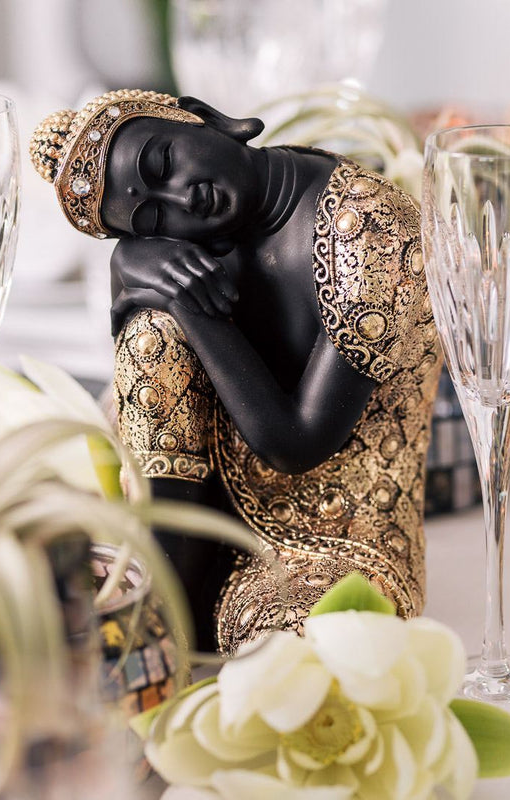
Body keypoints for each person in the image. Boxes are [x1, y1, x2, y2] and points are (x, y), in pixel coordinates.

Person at [30, 89, 441, 652]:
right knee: (153, 334)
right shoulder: (195, 244)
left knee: (299, 653)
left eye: (163, 162)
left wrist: (189, 306)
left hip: (335, 545)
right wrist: (130, 261)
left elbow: (294, 444)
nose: (182, 199)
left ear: (208, 119)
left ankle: (165, 626)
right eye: (152, 218)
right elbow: (137, 329)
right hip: (204, 531)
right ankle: (161, 603)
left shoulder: (370, 229)